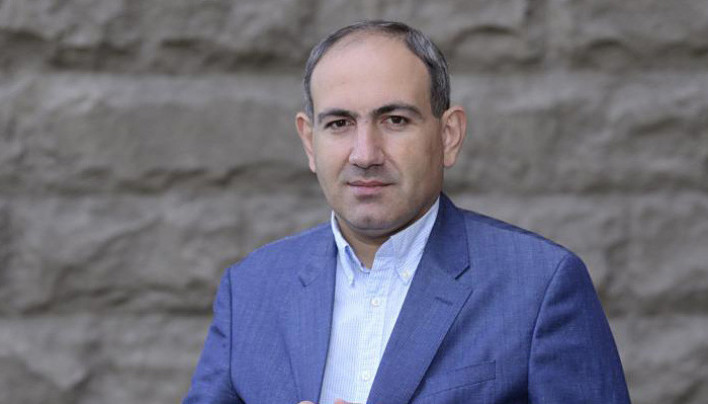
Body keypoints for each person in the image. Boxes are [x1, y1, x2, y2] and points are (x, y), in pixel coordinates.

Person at [183, 20, 630, 404]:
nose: (365, 154)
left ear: (448, 135)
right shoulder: (251, 290)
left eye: (395, 120)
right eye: (339, 124)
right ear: (309, 142)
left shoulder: (541, 285)